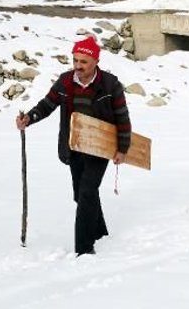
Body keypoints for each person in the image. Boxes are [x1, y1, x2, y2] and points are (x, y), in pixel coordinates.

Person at [15, 36, 130, 256]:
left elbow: (122, 117)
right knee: (81, 194)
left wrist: (122, 148)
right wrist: (30, 118)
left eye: (83, 61)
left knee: (87, 192)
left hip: (100, 147)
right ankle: (99, 230)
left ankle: (84, 249)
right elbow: (47, 104)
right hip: (73, 147)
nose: (78, 66)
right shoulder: (65, 81)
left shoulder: (110, 84)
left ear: (95, 60)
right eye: (75, 60)